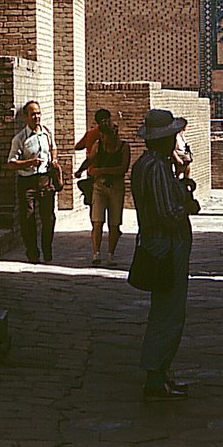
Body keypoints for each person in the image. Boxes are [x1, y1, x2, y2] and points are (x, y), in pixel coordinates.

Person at [131, 108, 195, 401]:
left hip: (158, 242)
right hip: (165, 244)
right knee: (168, 313)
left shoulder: (149, 164)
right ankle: (156, 374)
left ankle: (160, 371)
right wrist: (187, 208)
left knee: (164, 311)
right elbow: (167, 213)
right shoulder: (155, 167)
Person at [7, 100, 59, 264]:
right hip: (27, 181)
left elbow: (53, 149)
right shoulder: (20, 138)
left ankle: (47, 249)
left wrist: (54, 160)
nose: (36, 117)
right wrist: (29, 163)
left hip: (45, 179)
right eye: (33, 114)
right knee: (28, 217)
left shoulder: (47, 133)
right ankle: (32, 252)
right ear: (25, 117)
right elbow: (11, 163)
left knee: (48, 218)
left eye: (38, 113)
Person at [84, 121, 130, 266]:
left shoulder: (124, 147)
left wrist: (102, 170)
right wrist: (81, 170)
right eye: (102, 136)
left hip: (116, 186)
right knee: (97, 221)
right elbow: (90, 159)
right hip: (100, 185)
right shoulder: (98, 145)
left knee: (114, 223)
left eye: (106, 136)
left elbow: (123, 169)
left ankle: (111, 254)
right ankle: (96, 253)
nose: (104, 139)